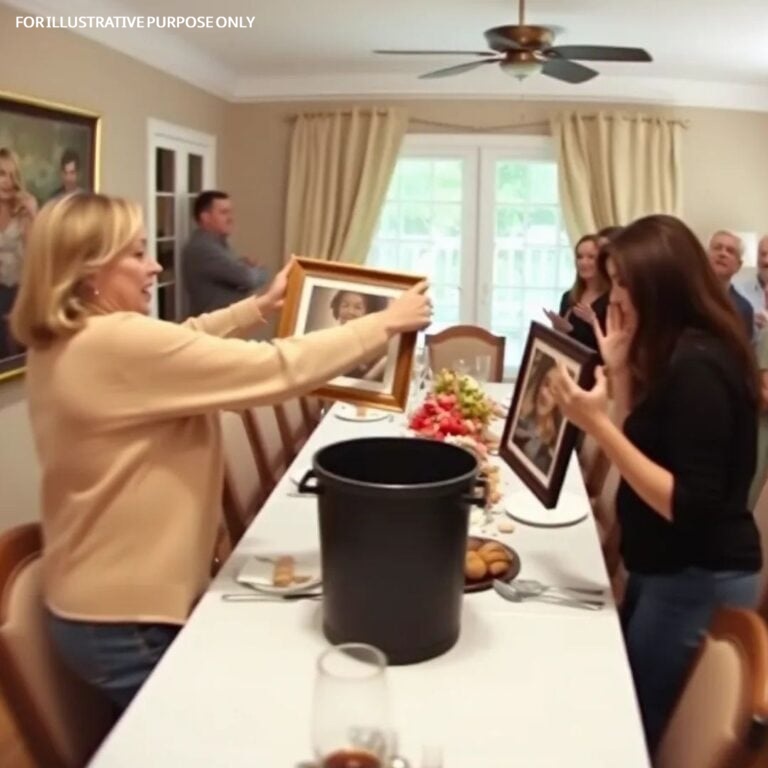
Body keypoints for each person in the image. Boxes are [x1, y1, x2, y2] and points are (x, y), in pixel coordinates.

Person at [10, 193, 432, 712]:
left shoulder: (67, 338)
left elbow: (178, 339)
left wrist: (258, 306)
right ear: (89, 271)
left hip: (100, 602)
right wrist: (383, 323)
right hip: (126, 620)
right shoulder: (114, 343)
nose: (155, 265)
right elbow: (275, 368)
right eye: (137, 253)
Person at [549, 214, 762, 755]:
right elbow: (640, 448)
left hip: (698, 574)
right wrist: (619, 372)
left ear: (660, 284)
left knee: (636, 725)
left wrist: (594, 424)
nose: (614, 295)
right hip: (663, 565)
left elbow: (687, 506)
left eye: (623, 282)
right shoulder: (674, 352)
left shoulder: (699, 367)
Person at [182, 190, 269, 315]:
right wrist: (260, 269)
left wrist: (241, 267)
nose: (230, 218)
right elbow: (248, 279)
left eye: (230, 212)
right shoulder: (203, 248)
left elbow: (234, 274)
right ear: (205, 217)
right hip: (215, 324)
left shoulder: (218, 244)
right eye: (224, 212)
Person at [0, 147, 38, 358]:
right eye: (1, 174)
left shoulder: (23, 213)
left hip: (19, 295)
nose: (7, 181)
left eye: (12, 175)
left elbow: (38, 257)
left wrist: (33, 214)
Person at [544, 234, 608, 352]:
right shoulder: (568, 297)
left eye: (591, 257)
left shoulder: (611, 300)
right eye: (579, 257)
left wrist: (592, 323)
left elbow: (612, 348)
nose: (583, 262)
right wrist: (558, 330)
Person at [511, 353, 562, 476]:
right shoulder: (525, 422)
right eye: (546, 384)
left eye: (554, 391)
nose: (544, 393)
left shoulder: (550, 452)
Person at [330, 289, 390, 381]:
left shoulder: (379, 350)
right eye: (345, 305)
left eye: (358, 307)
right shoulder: (329, 341)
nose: (350, 312)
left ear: (369, 313)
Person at [708, 229, 754, 340]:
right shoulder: (688, 295)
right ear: (705, 256)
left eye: (730, 251)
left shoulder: (744, 309)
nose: (723, 253)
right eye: (717, 248)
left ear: (738, 265)